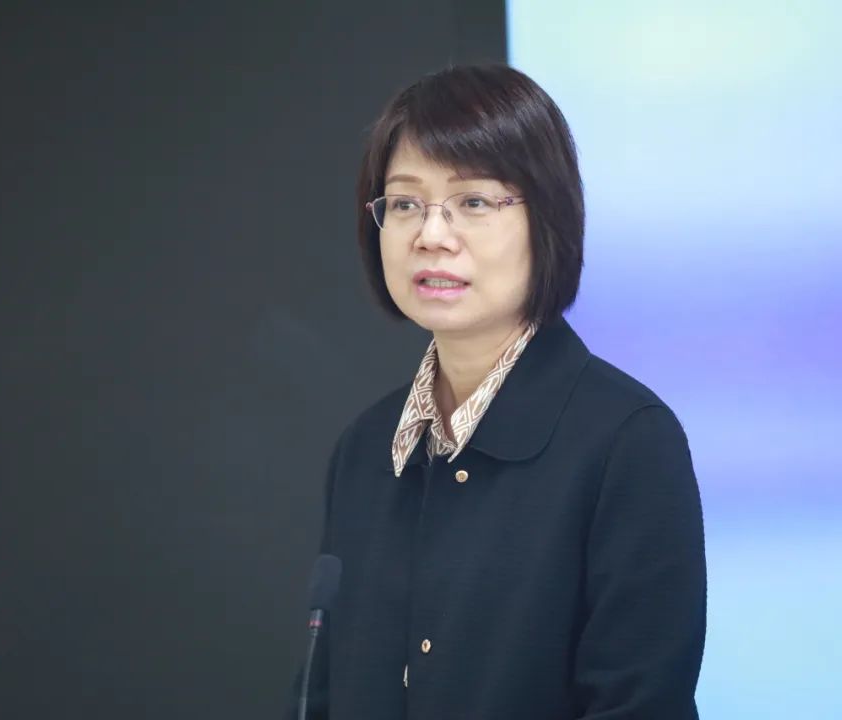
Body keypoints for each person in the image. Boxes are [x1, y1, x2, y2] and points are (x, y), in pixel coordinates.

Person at [293, 64, 706, 719]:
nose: (431, 235)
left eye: (474, 202)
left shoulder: (626, 440)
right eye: (404, 204)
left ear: (548, 218)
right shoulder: (365, 450)